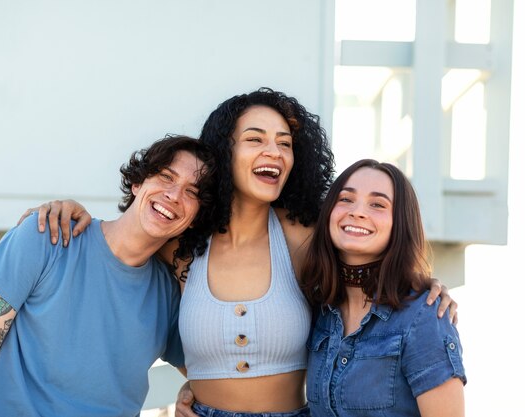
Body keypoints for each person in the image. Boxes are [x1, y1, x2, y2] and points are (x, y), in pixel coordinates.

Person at [26, 88, 457, 417]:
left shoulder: (302, 238)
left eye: (285, 143)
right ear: (225, 151)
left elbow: (365, 261)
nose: (273, 151)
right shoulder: (181, 245)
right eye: (255, 139)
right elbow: (117, 244)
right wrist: (66, 212)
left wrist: (425, 287)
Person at [0, 136, 217, 417]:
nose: (174, 195)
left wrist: (190, 388)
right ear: (138, 183)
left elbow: (211, 376)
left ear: (197, 217)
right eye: (165, 177)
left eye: (192, 192)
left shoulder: (170, 295)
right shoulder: (46, 235)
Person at [301, 159, 466, 417]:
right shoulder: (319, 307)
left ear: (399, 223)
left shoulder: (424, 317)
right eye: (345, 199)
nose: (357, 212)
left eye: (377, 204)